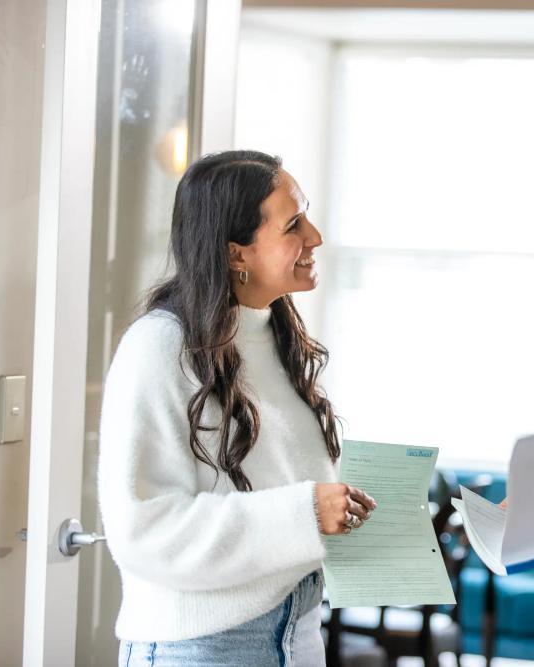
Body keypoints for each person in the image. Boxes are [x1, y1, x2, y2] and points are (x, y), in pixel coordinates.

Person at [98, 150, 376, 667]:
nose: (315, 237)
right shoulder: (159, 347)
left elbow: (288, 491)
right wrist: (307, 512)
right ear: (235, 254)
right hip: (204, 647)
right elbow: (144, 529)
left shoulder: (276, 336)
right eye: (293, 224)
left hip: (300, 630)